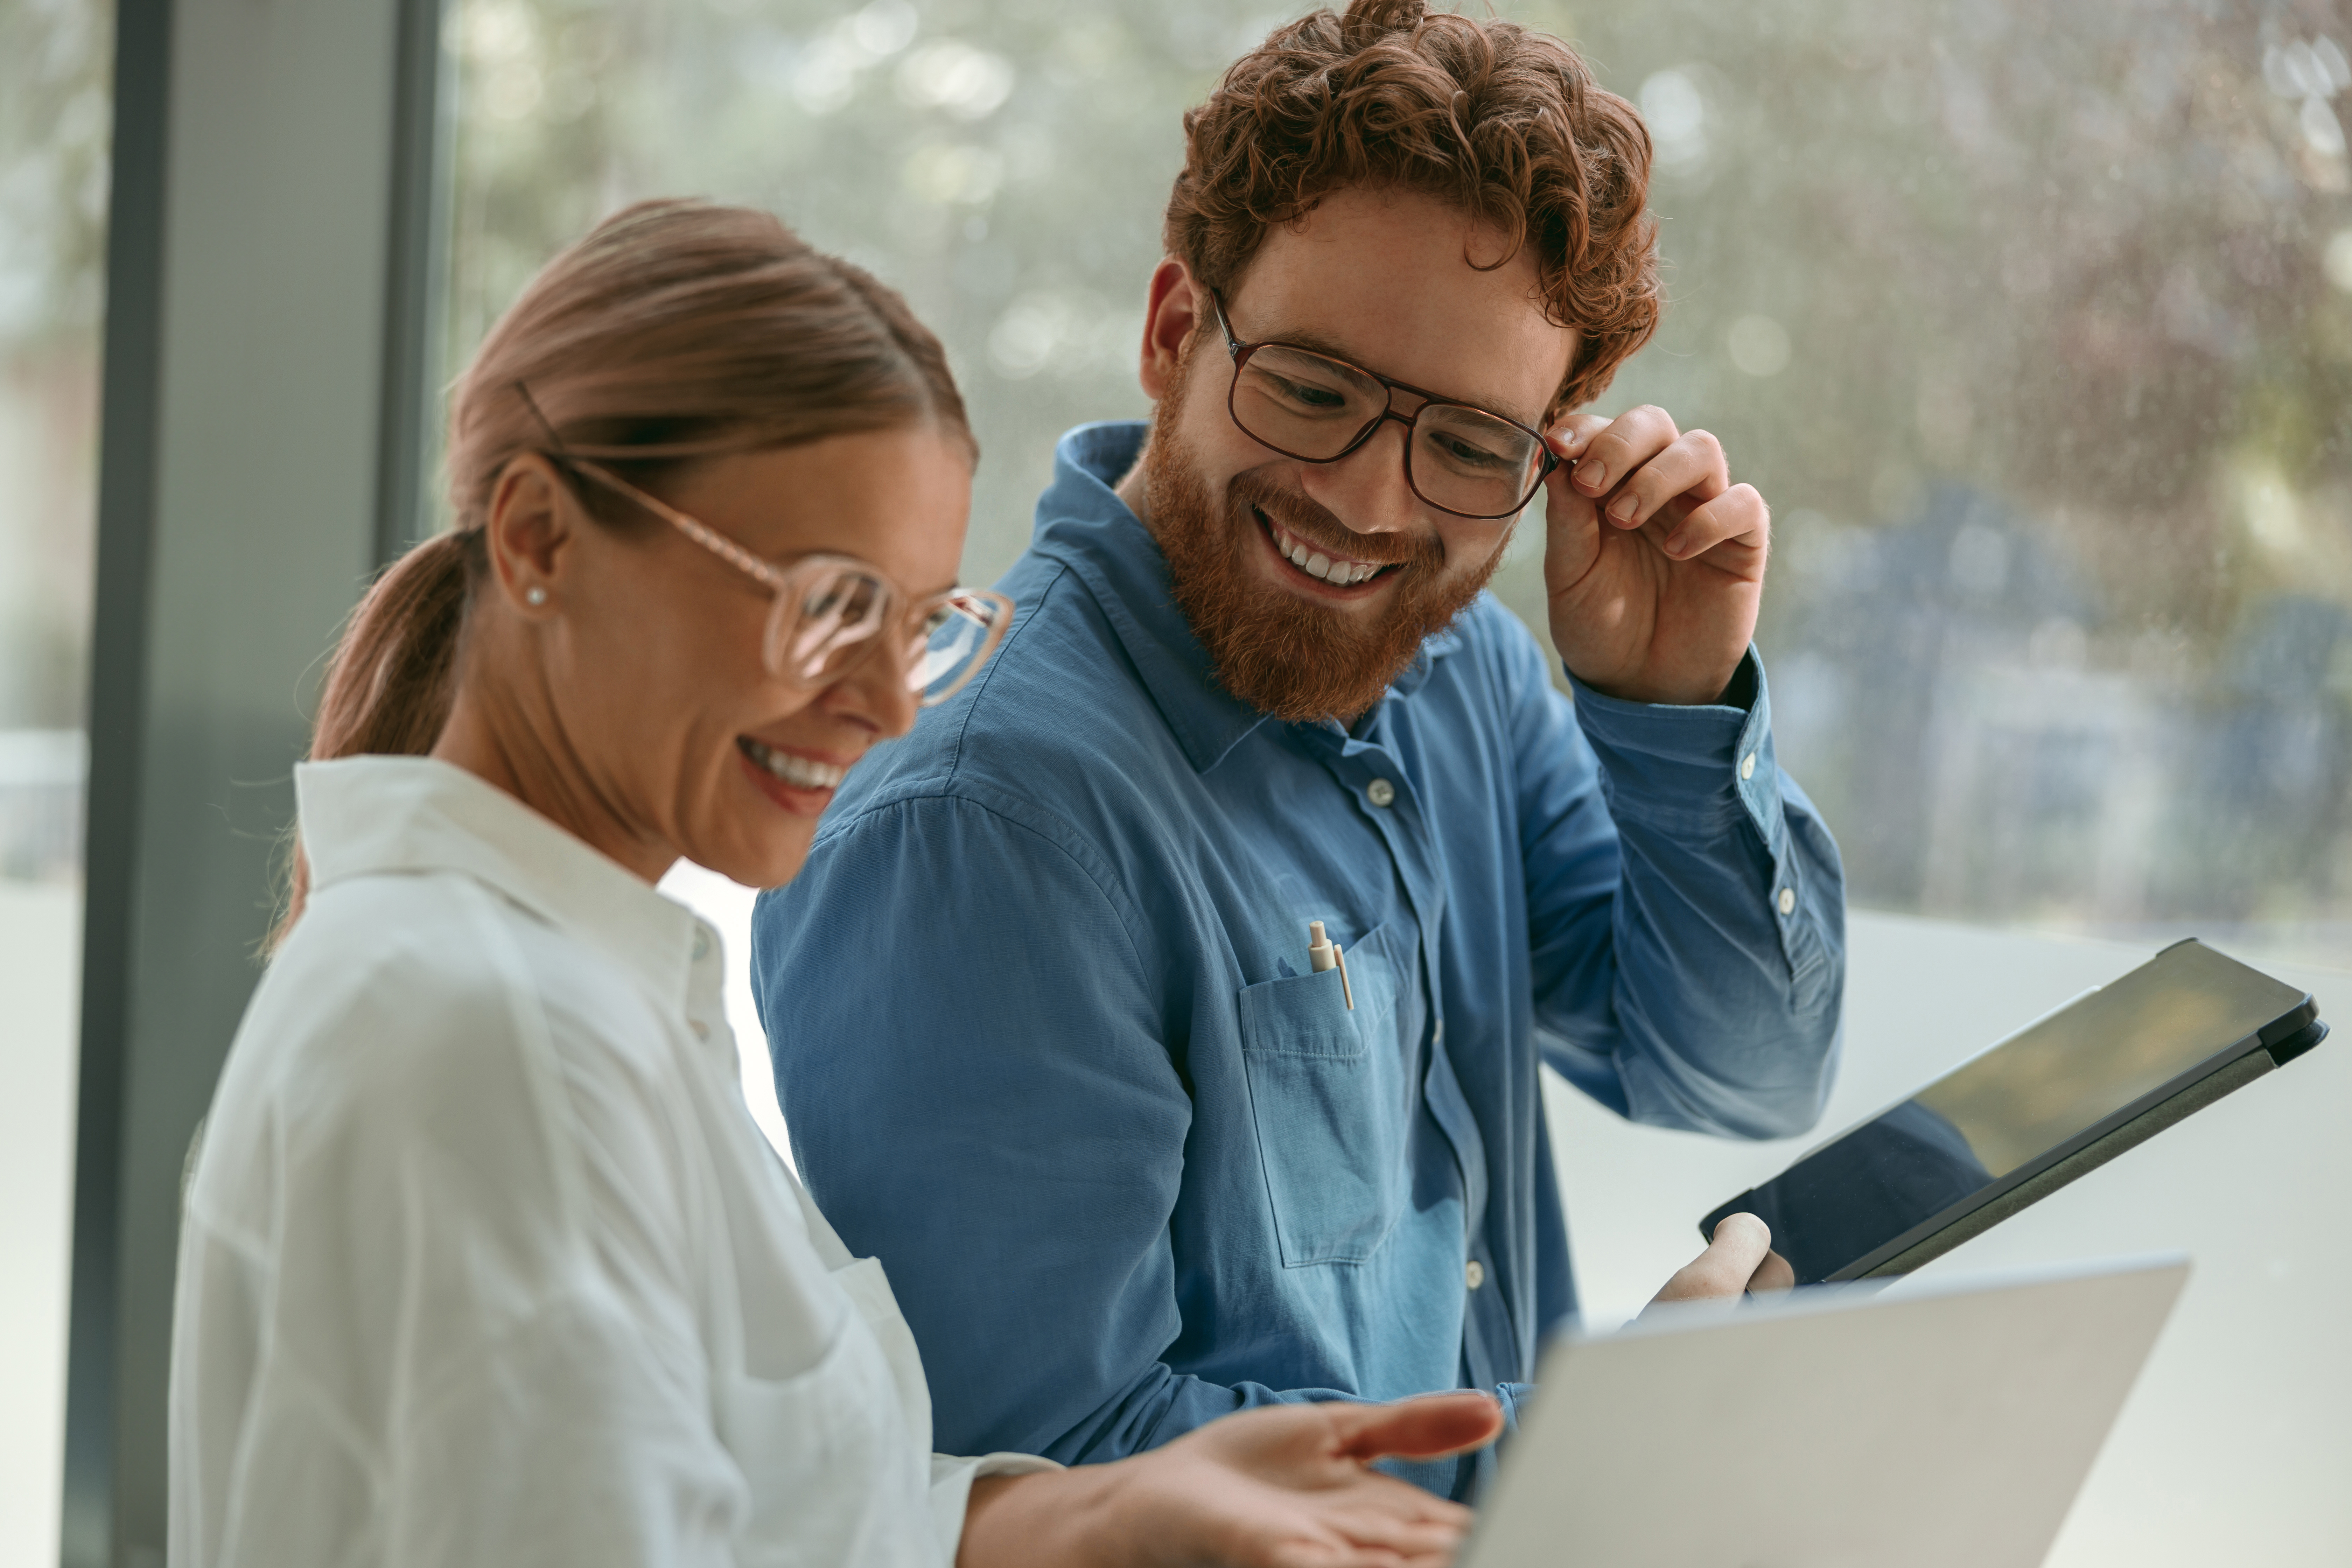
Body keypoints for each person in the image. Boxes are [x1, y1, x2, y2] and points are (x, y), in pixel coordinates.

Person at [167, 198, 1531, 1568]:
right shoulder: (502, 1044)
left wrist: (1096, 1513)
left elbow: (766, 1521)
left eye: (921, 623)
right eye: (826, 603)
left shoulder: (559, 996)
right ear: (539, 540)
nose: (886, 707)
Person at [753, 0, 1844, 1499]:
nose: (1372, 504)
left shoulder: (1462, 673)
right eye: (1315, 390)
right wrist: (1586, 1460)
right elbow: (1041, 1477)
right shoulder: (982, 820)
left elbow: (1741, 1074)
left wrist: (1673, 711)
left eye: (1467, 445)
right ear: (1173, 335)